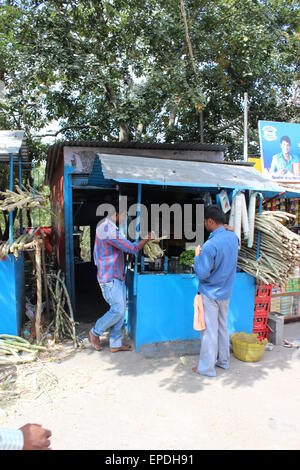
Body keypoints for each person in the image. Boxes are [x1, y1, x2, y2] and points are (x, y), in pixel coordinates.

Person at [89, 203, 153, 352]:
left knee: (121, 309)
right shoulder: (108, 229)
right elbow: (132, 248)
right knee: (118, 310)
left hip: (116, 276)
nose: (125, 219)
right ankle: (95, 332)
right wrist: (146, 239)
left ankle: (115, 344)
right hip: (109, 277)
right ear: (117, 214)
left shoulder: (108, 227)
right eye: (124, 215)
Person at [193, 205, 239, 377]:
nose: (205, 224)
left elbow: (202, 273)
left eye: (205, 221)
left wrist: (197, 256)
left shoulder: (210, 245)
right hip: (226, 292)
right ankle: (223, 361)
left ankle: (206, 368)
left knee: (209, 331)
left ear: (211, 221)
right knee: (222, 327)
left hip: (211, 294)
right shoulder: (233, 238)